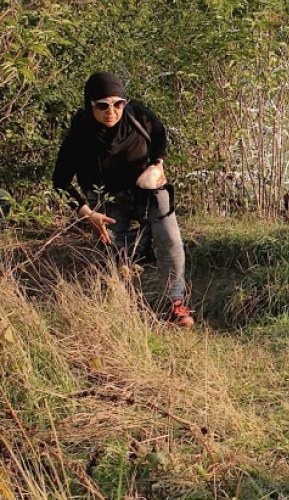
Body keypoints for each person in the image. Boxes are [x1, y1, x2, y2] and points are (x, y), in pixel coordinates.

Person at [52, 72, 194, 328]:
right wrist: (87, 213)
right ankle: (118, 311)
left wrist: (158, 165)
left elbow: (160, 134)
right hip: (107, 201)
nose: (111, 111)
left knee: (170, 239)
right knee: (112, 255)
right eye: (102, 106)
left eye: (118, 104)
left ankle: (175, 304)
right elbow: (60, 182)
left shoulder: (138, 116)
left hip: (149, 191)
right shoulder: (80, 136)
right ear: (90, 105)